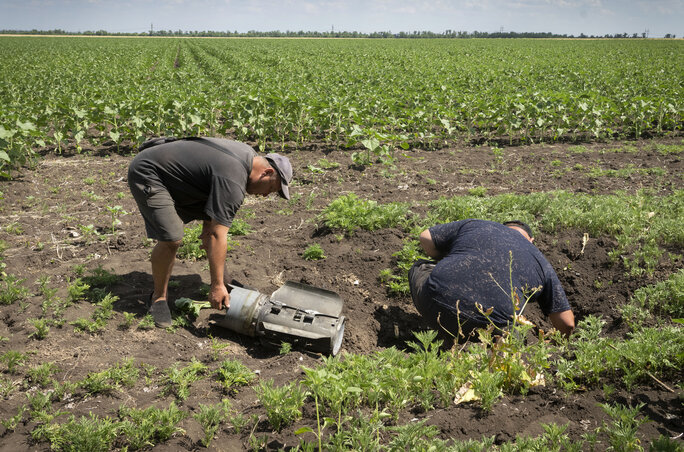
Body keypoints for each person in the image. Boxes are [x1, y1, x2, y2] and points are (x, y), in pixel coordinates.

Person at [127, 137, 293, 327]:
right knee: (172, 237)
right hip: (150, 172)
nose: (265, 195)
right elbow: (217, 234)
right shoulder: (233, 178)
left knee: (212, 225)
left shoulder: (247, 158)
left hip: (185, 178)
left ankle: (225, 280)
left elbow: (212, 225)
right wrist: (215, 286)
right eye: (271, 188)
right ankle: (158, 298)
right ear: (267, 172)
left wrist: (220, 280)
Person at [408, 219, 575, 341]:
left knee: (421, 267)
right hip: (490, 331)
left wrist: (451, 259)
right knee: (520, 335)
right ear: (531, 241)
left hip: (436, 304)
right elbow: (567, 324)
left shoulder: (479, 225)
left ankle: (442, 332)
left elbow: (425, 238)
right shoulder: (541, 262)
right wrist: (552, 345)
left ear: (500, 227)